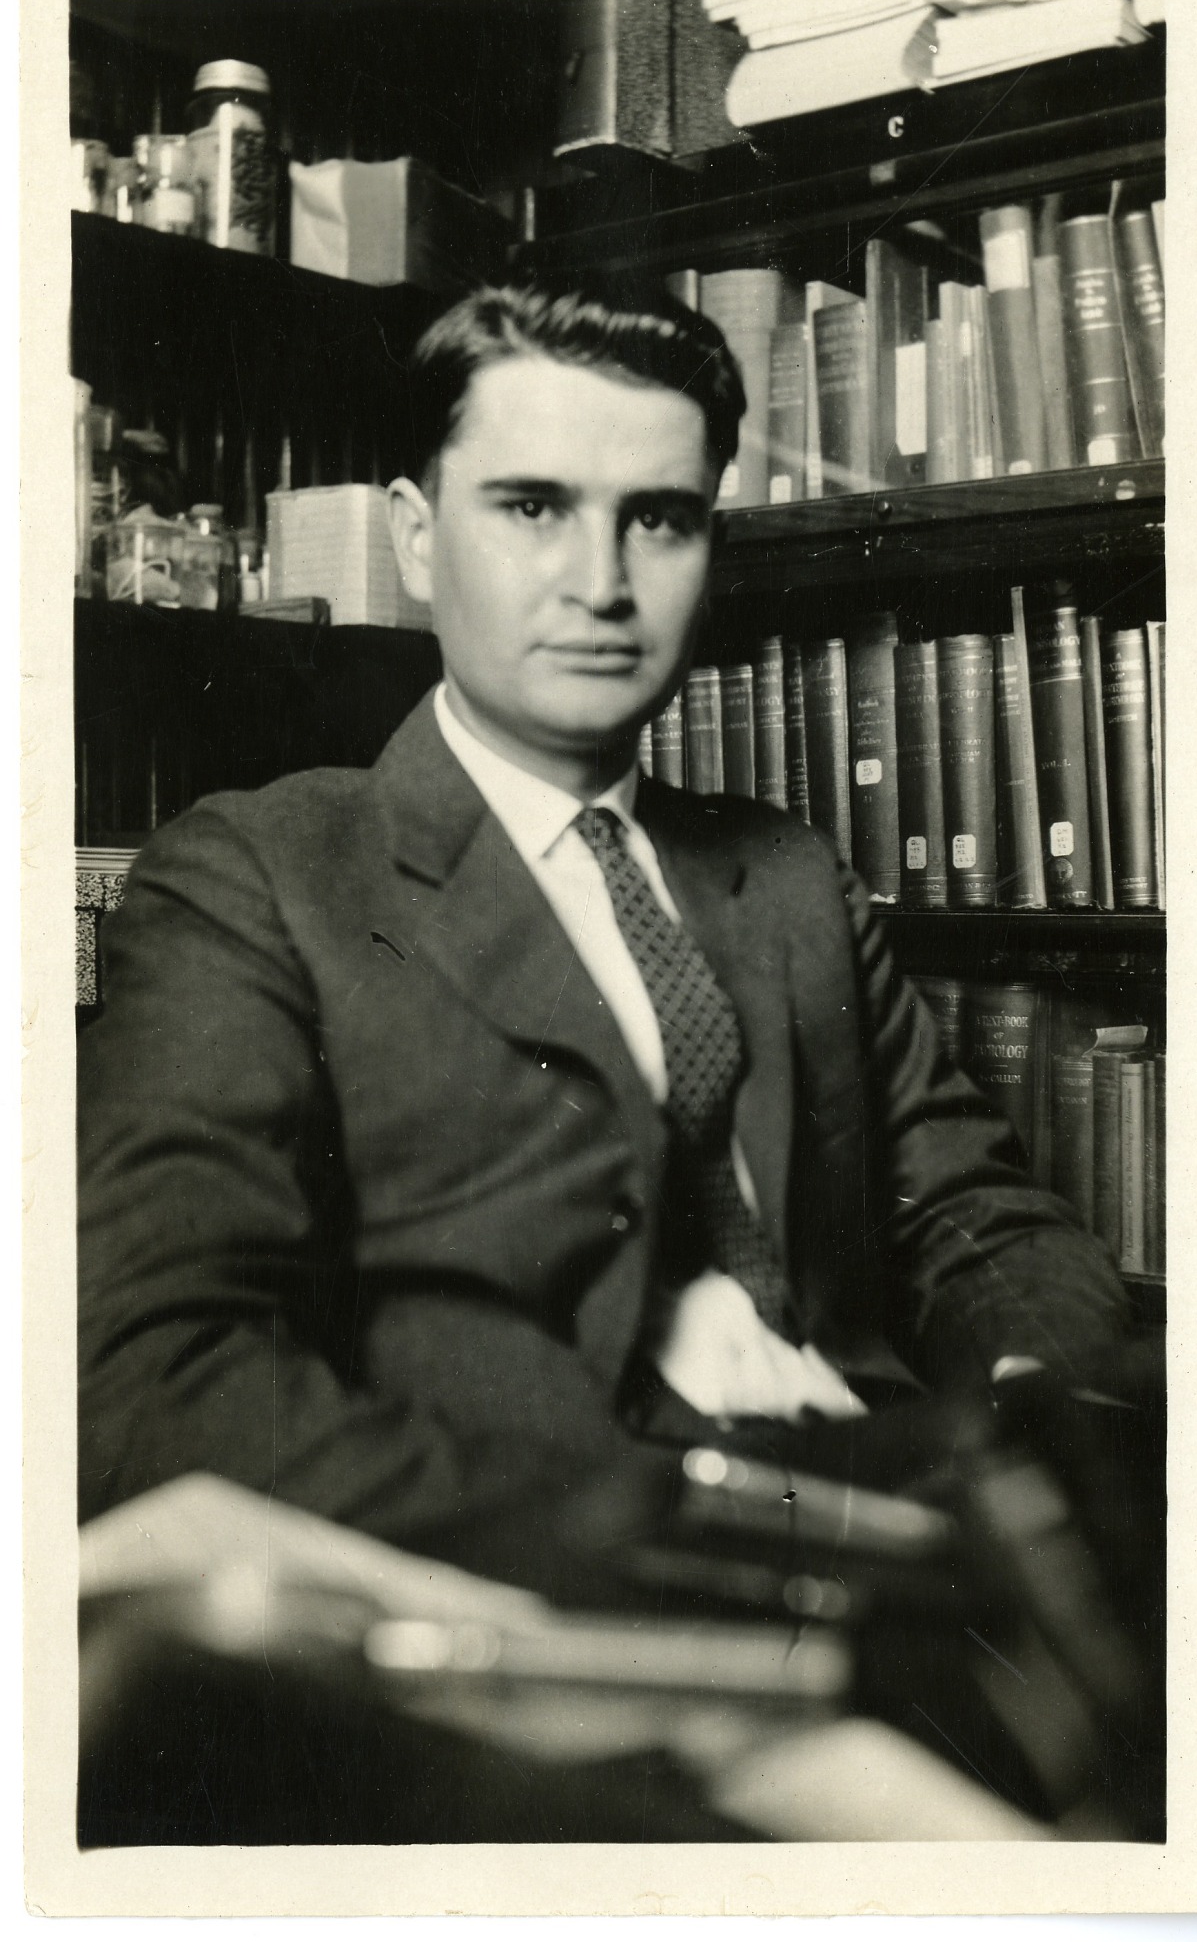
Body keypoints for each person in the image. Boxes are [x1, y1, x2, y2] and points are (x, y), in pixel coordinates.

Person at [77, 276, 1131, 1592]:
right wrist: (688, 1524)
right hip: (547, 1590)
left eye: (659, 520)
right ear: (417, 539)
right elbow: (152, 1386)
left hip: (908, 1550)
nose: (601, 583)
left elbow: (970, 1214)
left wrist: (1035, 1412)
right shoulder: (259, 880)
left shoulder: (790, 878)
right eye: (532, 508)